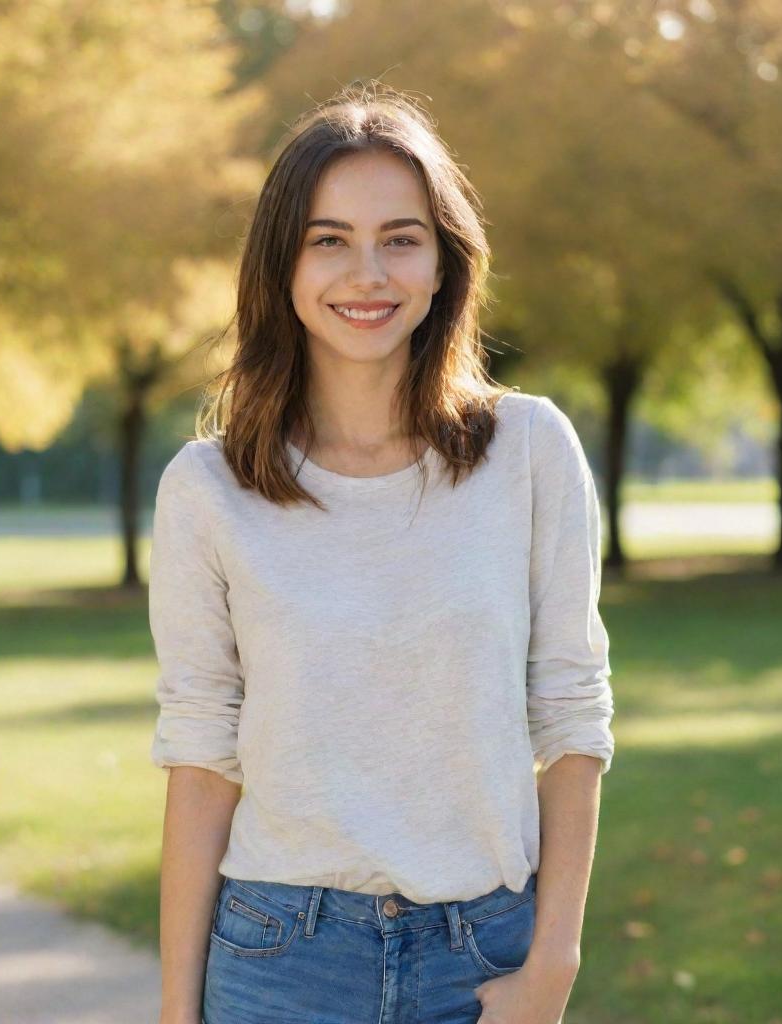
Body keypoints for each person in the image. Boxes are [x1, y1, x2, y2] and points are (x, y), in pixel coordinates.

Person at [148, 79, 615, 1024]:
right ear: (283, 266)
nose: (369, 273)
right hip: (277, 957)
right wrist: (174, 1010)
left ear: (444, 265)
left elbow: (572, 715)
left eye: (401, 238)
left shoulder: (529, 452)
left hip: (482, 955)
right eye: (330, 241)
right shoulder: (207, 490)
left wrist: (552, 965)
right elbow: (202, 761)